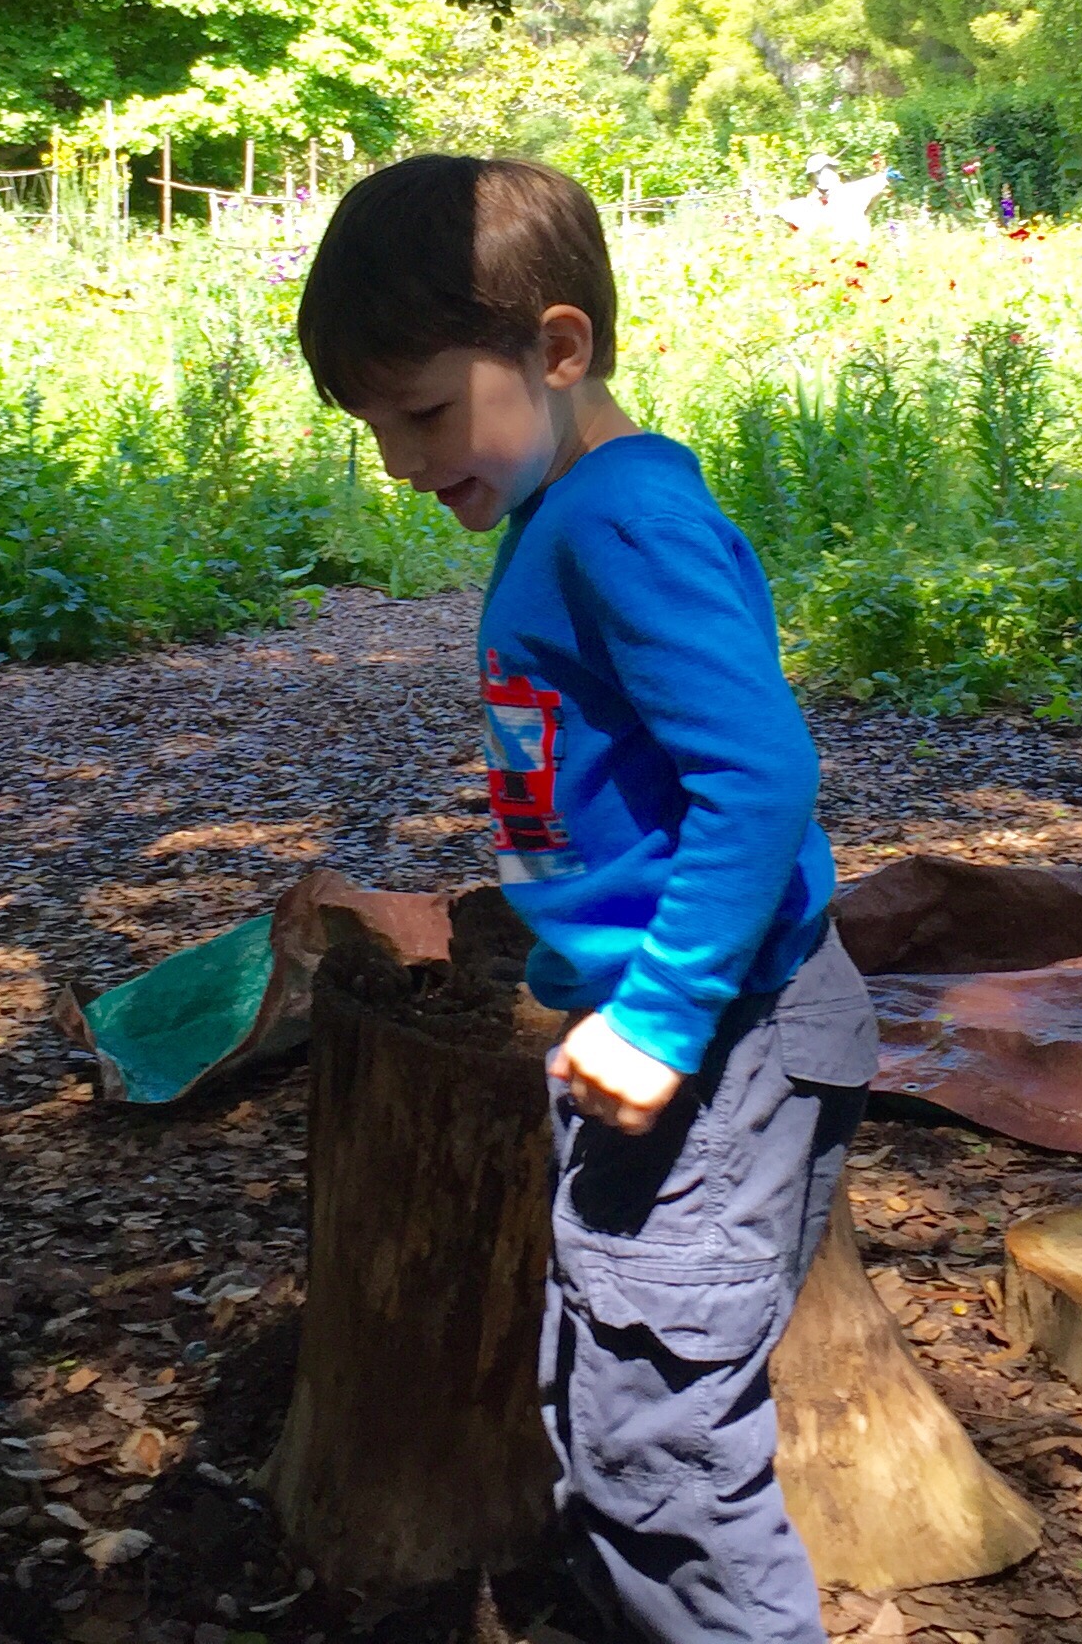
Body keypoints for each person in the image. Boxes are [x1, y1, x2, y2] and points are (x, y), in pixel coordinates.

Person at [296, 155, 875, 1644]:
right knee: (612, 1409)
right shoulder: (571, 510)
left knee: (661, 1447)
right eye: (376, 428)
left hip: (724, 1034)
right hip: (671, 1024)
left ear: (559, 348)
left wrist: (664, 1014)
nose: (400, 461)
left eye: (424, 413)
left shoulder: (621, 523)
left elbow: (760, 779)